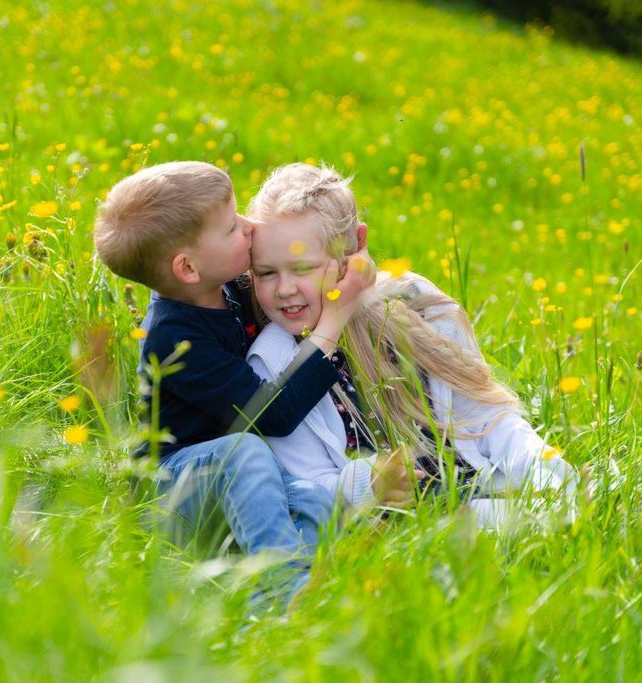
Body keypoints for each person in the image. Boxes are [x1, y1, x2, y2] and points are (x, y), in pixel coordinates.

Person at [93, 161, 376, 601]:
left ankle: (274, 602)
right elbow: (273, 414)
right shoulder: (176, 338)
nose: (249, 227)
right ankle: (284, 589)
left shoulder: (218, 289)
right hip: (172, 491)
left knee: (316, 503)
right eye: (231, 228)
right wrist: (334, 320)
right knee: (242, 452)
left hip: (239, 482)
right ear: (187, 268)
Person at [245, 163, 578, 528]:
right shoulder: (273, 363)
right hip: (389, 523)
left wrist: (550, 475)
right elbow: (307, 489)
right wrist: (369, 483)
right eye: (266, 273)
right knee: (493, 524)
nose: (284, 289)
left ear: (355, 246)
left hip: (473, 486)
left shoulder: (413, 303)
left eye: (303, 268)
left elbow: (488, 421)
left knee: (559, 506)